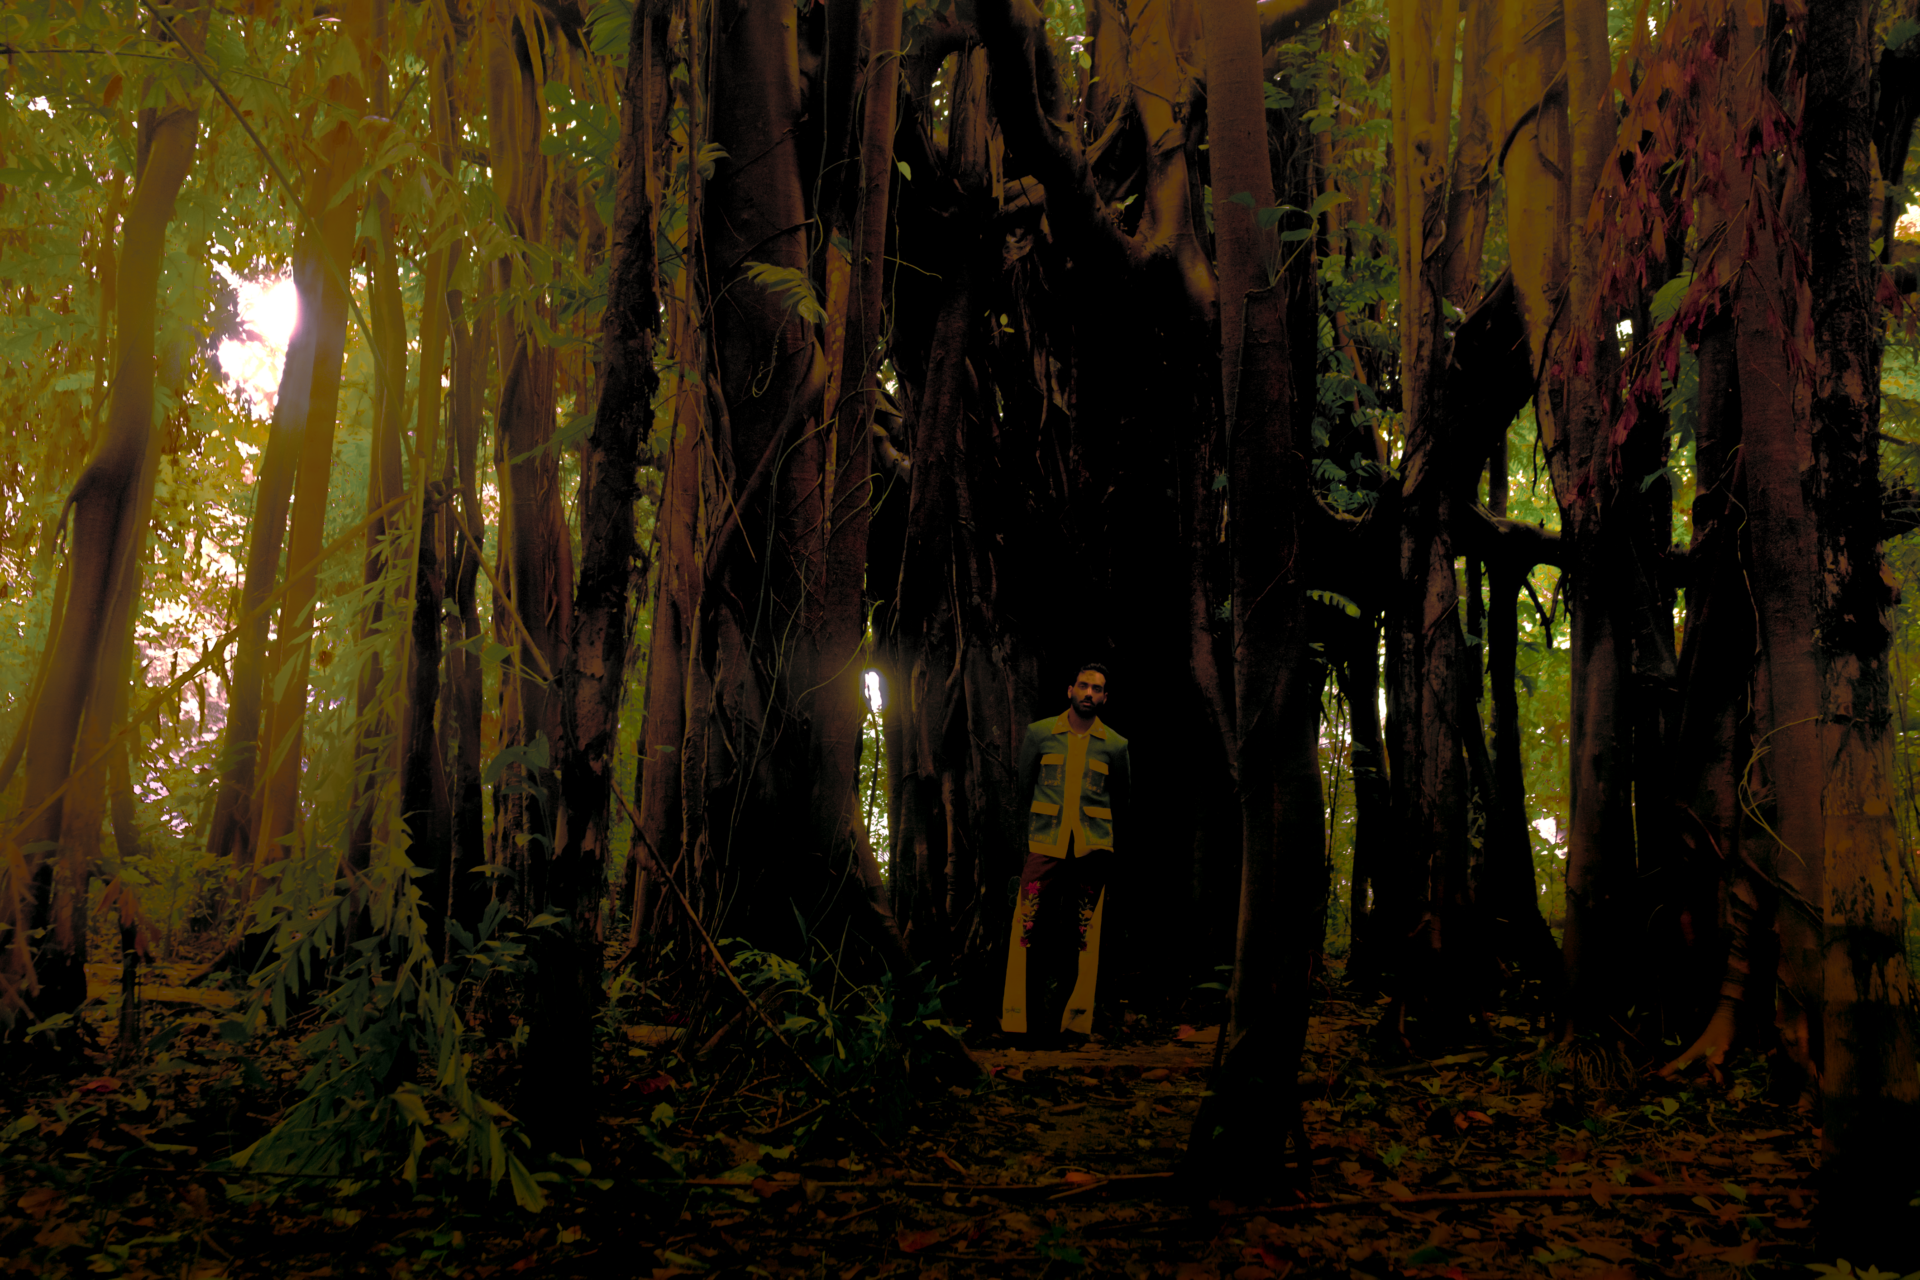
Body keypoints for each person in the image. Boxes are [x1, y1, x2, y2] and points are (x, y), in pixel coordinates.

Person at [1000, 662, 1131, 1048]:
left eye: (1097, 689)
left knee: (1083, 936)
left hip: (1093, 850)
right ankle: (1019, 1022)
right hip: (1046, 845)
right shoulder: (1040, 733)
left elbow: (1121, 800)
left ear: (1105, 698)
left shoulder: (1116, 745)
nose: (1089, 693)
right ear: (1070, 690)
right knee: (1026, 927)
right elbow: (1024, 788)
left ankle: (1072, 1025)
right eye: (1084, 686)